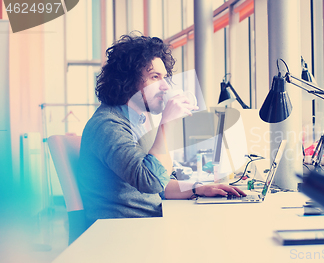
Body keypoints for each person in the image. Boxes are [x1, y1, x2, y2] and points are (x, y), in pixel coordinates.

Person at [78, 33, 245, 224]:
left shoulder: (138, 122)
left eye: (165, 77)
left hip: (147, 223)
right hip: (124, 232)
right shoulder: (107, 125)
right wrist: (167, 123)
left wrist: (198, 188)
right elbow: (151, 181)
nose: (165, 86)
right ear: (127, 80)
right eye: (155, 77)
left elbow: (161, 183)